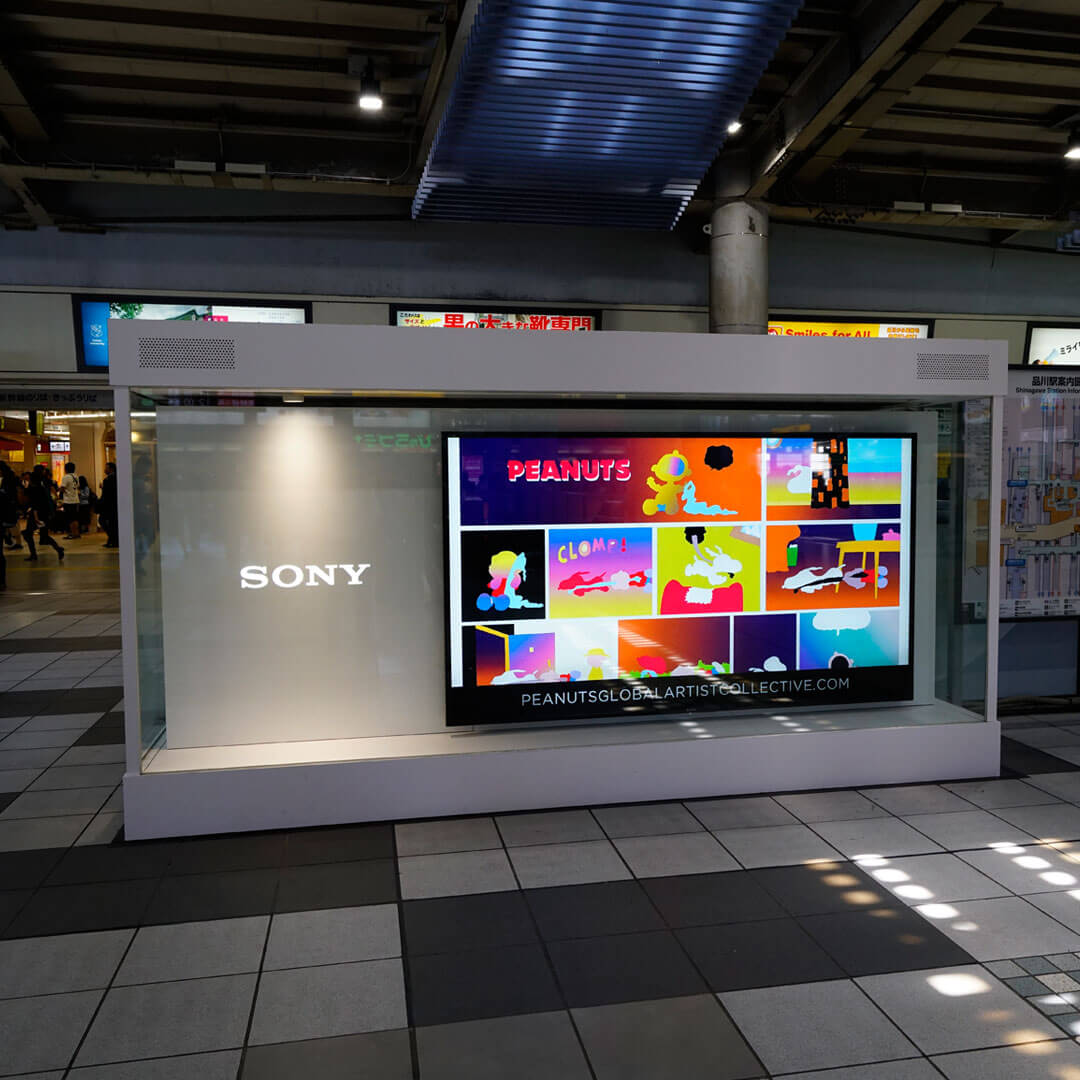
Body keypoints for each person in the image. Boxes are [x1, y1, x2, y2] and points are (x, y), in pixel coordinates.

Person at [23, 466, 64, 563]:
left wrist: (36, 516)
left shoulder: (33, 488)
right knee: (44, 536)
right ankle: (58, 549)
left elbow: (35, 503)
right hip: (45, 513)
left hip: (37, 514)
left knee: (28, 534)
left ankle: (33, 554)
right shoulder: (43, 485)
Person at [0, 462, 20, 550]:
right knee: (12, 524)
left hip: (9, 504)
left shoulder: (7, 479)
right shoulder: (12, 477)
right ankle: (12, 540)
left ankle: (16, 542)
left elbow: (7, 492)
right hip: (12, 503)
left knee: (12, 524)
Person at [99, 462, 118, 548]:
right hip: (114, 504)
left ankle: (113, 539)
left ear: (111, 469)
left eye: (106, 468)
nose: (105, 470)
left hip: (109, 505)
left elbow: (106, 494)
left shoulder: (108, 479)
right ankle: (112, 540)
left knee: (104, 521)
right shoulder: (116, 478)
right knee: (112, 523)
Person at [60, 461, 80, 538]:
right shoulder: (76, 476)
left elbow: (62, 488)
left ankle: (72, 534)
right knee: (75, 518)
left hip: (68, 500)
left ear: (66, 469)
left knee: (69, 518)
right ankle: (76, 533)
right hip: (75, 499)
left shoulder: (66, 477)